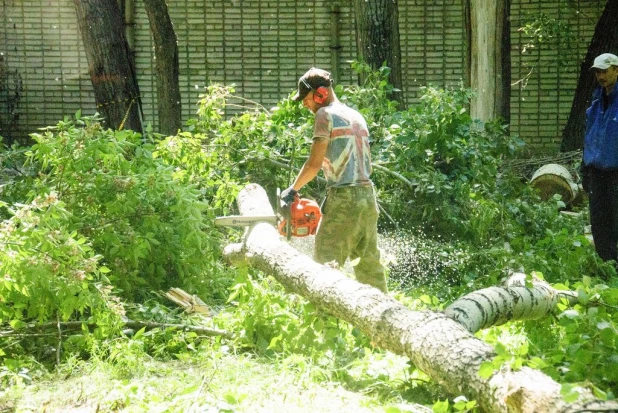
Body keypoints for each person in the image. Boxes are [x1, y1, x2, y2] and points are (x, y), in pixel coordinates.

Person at [280, 67, 388, 292]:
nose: (304, 104)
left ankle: (325, 323)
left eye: (306, 99)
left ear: (320, 94)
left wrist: (292, 190)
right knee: (370, 271)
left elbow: (313, 165)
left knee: (324, 269)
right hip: (368, 199)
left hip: (343, 201)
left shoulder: (324, 115)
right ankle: (384, 319)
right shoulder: (356, 115)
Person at [582, 52, 618, 263]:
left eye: (605, 71)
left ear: (616, 70)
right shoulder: (596, 101)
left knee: (615, 222)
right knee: (599, 221)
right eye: (598, 73)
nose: (601, 76)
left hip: (615, 172)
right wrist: (585, 169)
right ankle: (606, 267)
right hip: (596, 171)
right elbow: (589, 137)